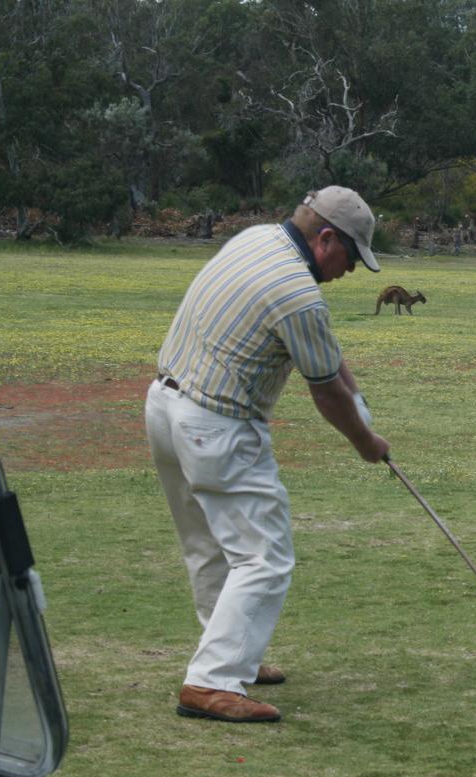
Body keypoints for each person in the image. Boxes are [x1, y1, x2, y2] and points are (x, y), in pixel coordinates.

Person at [145, 186, 390, 723]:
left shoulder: (256, 240)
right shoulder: (297, 292)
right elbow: (325, 391)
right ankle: (212, 682)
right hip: (217, 425)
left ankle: (229, 658)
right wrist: (366, 444)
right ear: (326, 238)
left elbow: (326, 354)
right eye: (352, 256)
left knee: (209, 545)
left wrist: (359, 397)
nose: (351, 270)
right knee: (264, 556)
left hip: (165, 406)